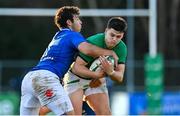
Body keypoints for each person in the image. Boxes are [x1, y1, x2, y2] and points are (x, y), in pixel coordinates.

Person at [20, 6, 119, 115]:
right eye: (77, 19)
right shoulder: (71, 34)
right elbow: (87, 49)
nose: (80, 22)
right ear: (69, 22)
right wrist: (110, 52)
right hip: (45, 78)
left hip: (29, 79)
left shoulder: (57, 37)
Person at [63, 17, 128, 115]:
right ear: (106, 31)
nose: (114, 39)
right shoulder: (94, 41)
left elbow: (120, 77)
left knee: (105, 114)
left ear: (122, 36)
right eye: (112, 35)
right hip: (75, 79)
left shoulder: (121, 48)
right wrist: (96, 75)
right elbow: (77, 68)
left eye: (118, 37)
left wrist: (111, 72)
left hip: (96, 81)